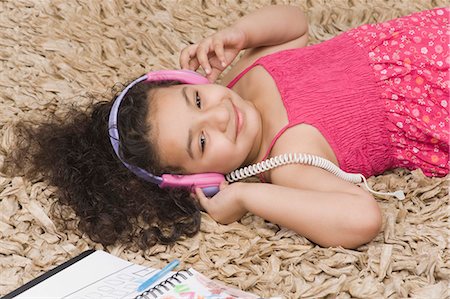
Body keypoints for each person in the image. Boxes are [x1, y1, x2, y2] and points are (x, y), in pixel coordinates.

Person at [5, 5, 448, 249]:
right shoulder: (290, 159)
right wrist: (248, 195)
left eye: (197, 98)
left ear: (195, 80)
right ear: (198, 179)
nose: (219, 115)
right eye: (201, 141)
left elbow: (295, 24)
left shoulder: (244, 78)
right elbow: (362, 218)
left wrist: (241, 33)